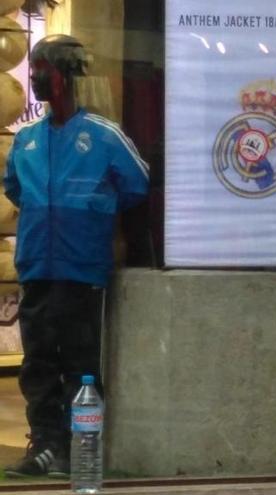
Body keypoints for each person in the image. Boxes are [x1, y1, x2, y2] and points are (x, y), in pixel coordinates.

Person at [2, 34, 149, 478]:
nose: (36, 78)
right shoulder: (26, 139)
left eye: (42, 69)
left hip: (82, 269)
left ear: (63, 76)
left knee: (80, 363)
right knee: (38, 362)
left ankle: (78, 449)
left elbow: (137, 183)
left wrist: (91, 211)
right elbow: (14, 188)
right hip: (37, 268)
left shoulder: (103, 136)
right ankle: (45, 444)